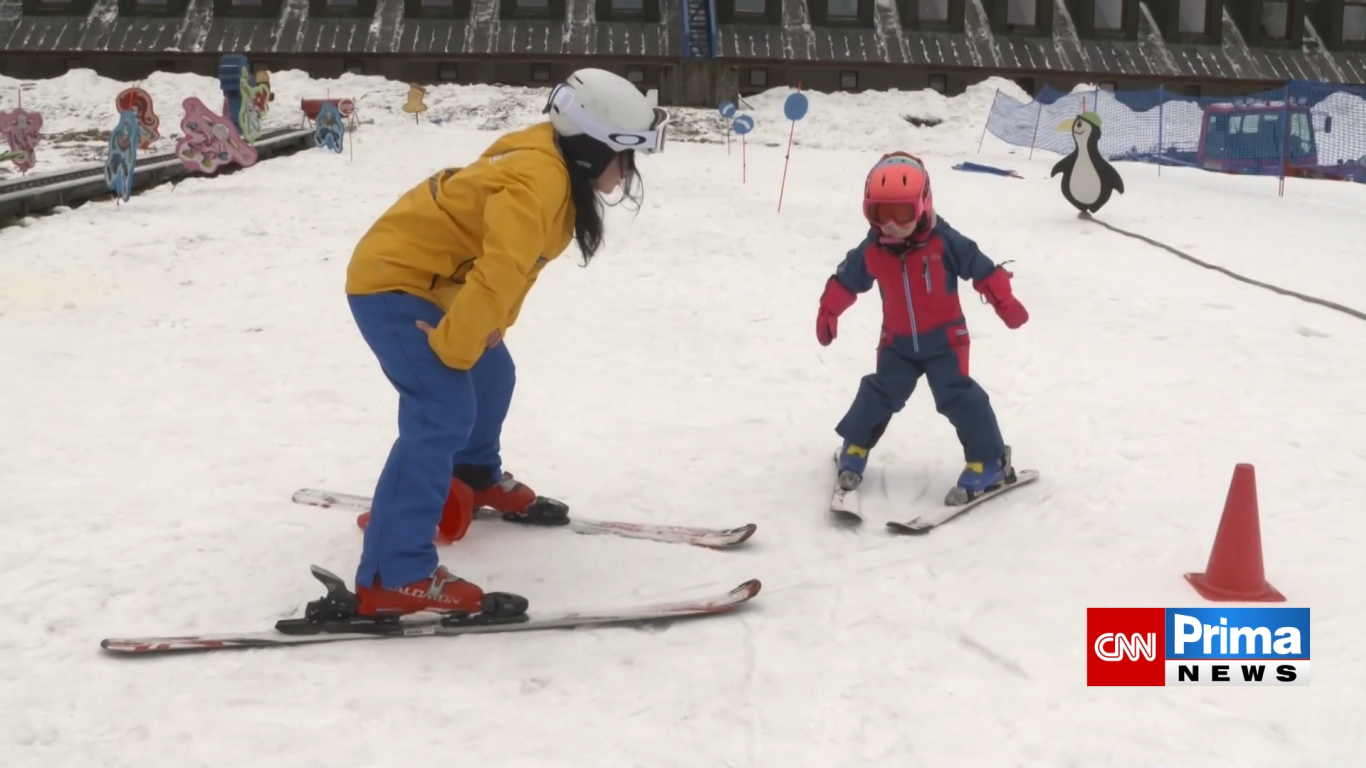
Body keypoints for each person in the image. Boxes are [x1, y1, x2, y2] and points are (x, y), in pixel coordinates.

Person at [342, 68, 669, 617]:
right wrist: (453, 348)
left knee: (494, 372)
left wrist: (487, 330)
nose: (627, 172)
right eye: (624, 156)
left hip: (436, 279)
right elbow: (499, 271)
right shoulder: (537, 183)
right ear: (590, 150)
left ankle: (472, 473)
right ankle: (392, 573)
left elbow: (516, 271)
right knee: (441, 407)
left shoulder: (557, 168)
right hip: (392, 282)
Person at [815, 151, 1029, 506]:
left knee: (958, 396)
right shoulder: (873, 250)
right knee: (880, 391)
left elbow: (983, 269)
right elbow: (847, 280)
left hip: (945, 340)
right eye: (879, 214)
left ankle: (990, 460)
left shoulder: (944, 242)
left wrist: (1005, 304)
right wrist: (829, 310)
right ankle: (855, 444)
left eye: (902, 214)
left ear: (923, 205)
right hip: (897, 343)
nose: (890, 225)